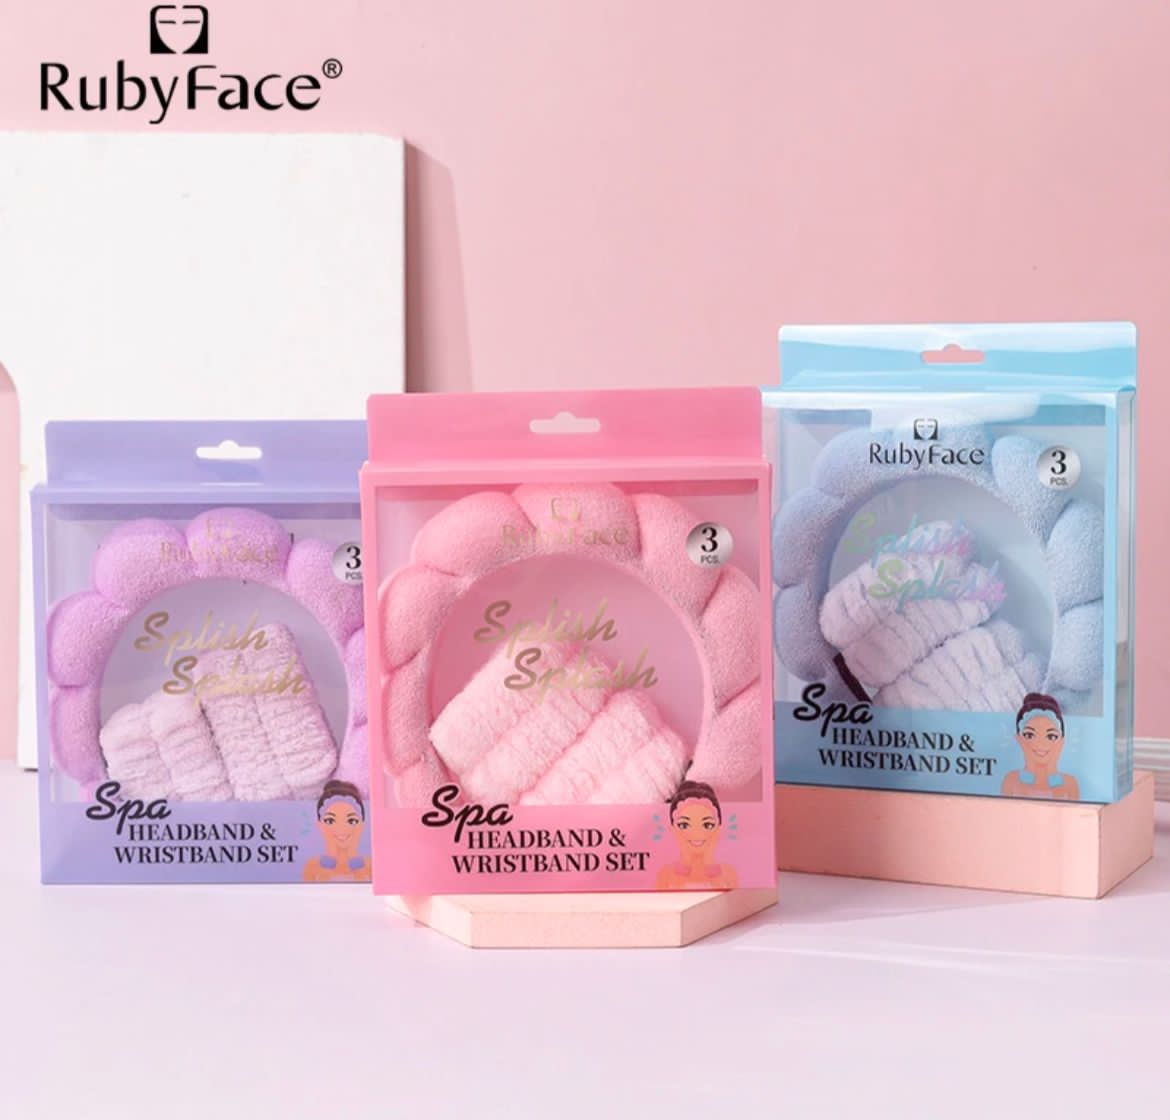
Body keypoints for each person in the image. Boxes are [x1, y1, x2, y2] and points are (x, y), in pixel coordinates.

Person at [656, 779, 738, 890]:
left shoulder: (728, 874)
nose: (696, 832)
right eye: (684, 825)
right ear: (673, 829)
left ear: (719, 828)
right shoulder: (666, 875)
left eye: (707, 825)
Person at [1001, 692, 1080, 800]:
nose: (1040, 743)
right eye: (1029, 735)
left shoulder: (1070, 784)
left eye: (1051, 736)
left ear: (1062, 741)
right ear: (1019, 739)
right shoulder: (1011, 781)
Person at [302, 780, 372, 882]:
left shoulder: (370, 866)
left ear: (361, 825)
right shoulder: (313, 867)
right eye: (330, 821)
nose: (341, 828)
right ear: (320, 825)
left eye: (351, 821)